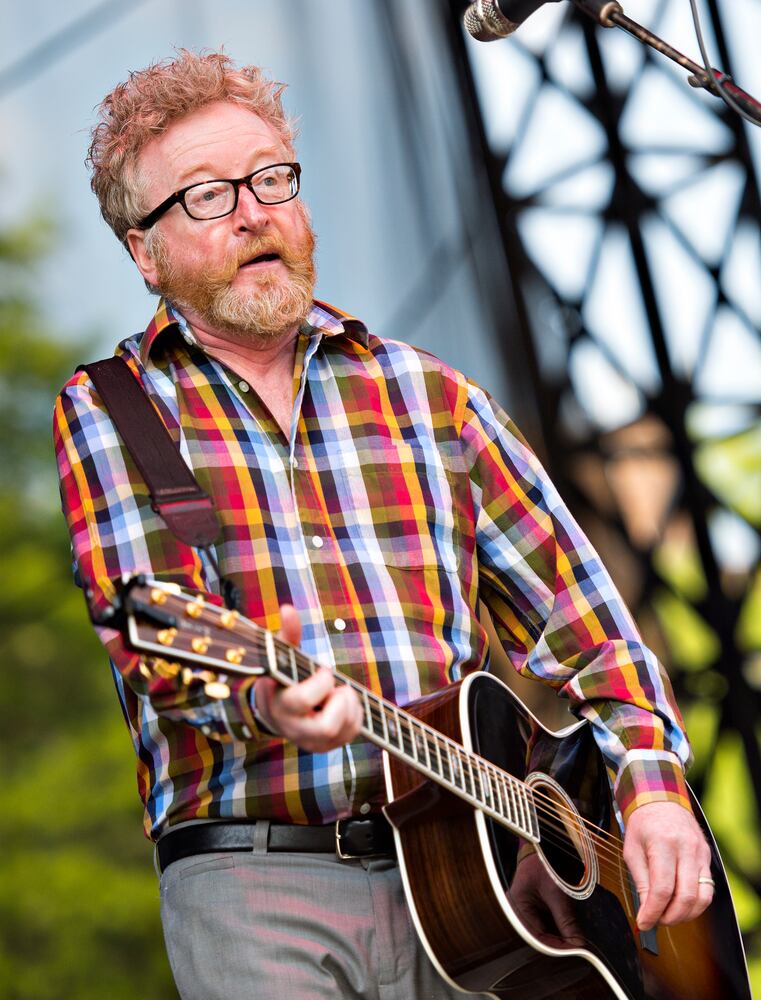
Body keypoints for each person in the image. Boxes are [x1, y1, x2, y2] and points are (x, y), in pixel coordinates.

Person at [54, 51, 713, 1000]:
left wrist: (649, 789)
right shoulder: (112, 408)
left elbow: (590, 626)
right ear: (143, 253)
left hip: (492, 888)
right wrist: (260, 702)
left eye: (270, 178)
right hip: (255, 878)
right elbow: (152, 638)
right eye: (206, 195)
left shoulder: (433, 396)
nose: (253, 212)